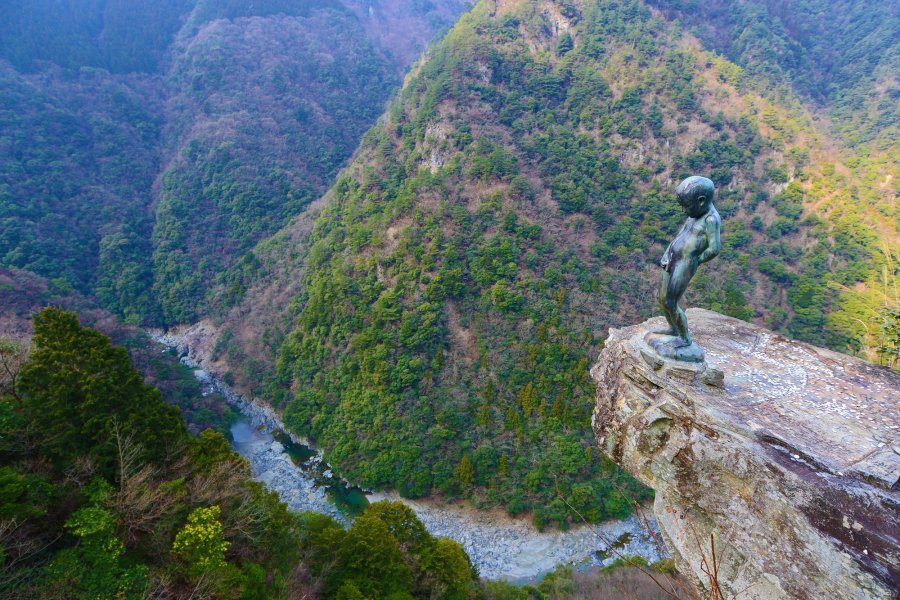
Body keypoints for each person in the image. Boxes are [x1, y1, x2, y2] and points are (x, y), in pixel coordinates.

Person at [656, 175, 721, 350]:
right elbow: (681, 235)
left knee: (671, 301)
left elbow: (715, 248)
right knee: (662, 298)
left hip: (686, 262)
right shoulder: (694, 215)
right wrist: (667, 252)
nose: (684, 211)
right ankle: (673, 329)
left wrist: (697, 260)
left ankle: (685, 339)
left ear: (700, 201)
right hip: (673, 257)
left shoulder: (710, 220)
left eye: (686, 206)